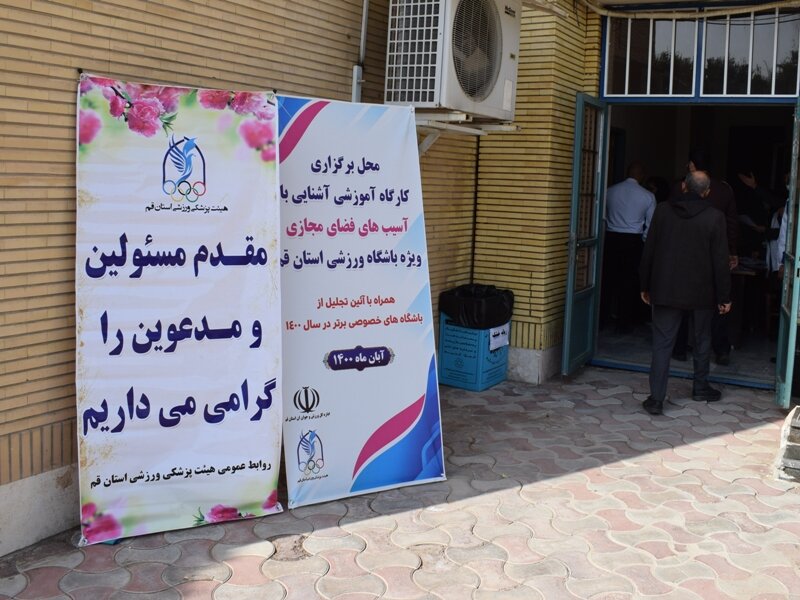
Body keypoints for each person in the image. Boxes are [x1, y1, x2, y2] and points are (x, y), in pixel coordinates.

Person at [639, 170, 732, 415]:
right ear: (707, 192)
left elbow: (649, 250)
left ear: (683, 187)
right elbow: (720, 261)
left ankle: (656, 399)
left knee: (662, 344)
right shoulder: (715, 217)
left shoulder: (662, 211)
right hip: (702, 292)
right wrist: (724, 296)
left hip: (665, 288)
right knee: (702, 340)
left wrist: (645, 285)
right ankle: (700, 387)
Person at [671, 148, 739, 364]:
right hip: (713, 254)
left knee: (681, 301)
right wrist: (732, 251)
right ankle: (721, 349)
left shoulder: (680, 187)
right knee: (718, 302)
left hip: (682, 253)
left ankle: (679, 348)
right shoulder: (724, 190)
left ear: (692, 165)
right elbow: (732, 223)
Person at [601, 162, 657, 332]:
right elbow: (651, 225)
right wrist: (643, 242)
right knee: (629, 282)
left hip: (611, 238)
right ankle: (624, 323)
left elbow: (602, 217)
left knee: (607, 280)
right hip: (632, 241)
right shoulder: (647, 196)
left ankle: (602, 319)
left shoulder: (609, 191)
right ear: (641, 175)